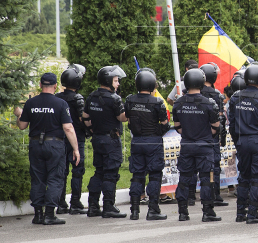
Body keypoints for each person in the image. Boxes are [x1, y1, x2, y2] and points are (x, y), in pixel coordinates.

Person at [15, 73, 80, 225]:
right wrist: (76, 149)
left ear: (40, 85)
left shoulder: (31, 103)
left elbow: (22, 126)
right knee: (55, 178)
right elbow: (68, 128)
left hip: (36, 144)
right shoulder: (61, 103)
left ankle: (38, 214)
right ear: (56, 86)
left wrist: (19, 115)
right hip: (55, 145)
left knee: (37, 179)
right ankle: (50, 215)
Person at [172, 68, 222, 222]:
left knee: (184, 177)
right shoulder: (209, 103)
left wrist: (189, 133)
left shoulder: (178, 102)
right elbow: (216, 126)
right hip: (205, 146)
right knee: (207, 178)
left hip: (187, 145)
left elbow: (177, 126)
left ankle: (182, 212)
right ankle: (208, 212)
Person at [227, 64, 258, 224]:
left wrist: (238, 141)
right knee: (257, 177)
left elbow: (232, 125)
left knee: (244, 177)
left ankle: (241, 213)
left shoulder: (235, 97)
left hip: (242, 141)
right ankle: (252, 213)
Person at [125, 68, 169, 221]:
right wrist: (158, 133)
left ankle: (135, 211)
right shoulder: (157, 102)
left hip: (137, 141)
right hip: (153, 141)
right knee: (155, 176)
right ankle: (153, 209)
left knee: (137, 176)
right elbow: (165, 124)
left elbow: (129, 121)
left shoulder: (130, 100)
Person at [85, 65, 128, 218]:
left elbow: (85, 117)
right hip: (111, 141)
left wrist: (93, 128)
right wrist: (128, 110)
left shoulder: (91, 96)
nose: (118, 84)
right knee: (110, 174)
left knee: (99, 172)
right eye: (116, 81)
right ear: (108, 81)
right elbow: (121, 118)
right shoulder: (114, 99)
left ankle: (93, 206)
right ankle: (109, 206)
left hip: (97, 139)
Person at [55, 64, 88, 215]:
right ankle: (75, 202)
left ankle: (61, 204)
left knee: (62, 171)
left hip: (60, 138)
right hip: (77, 138)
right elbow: (82, 119)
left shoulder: (57, 98)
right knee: (77, 170)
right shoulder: (78, 98)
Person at [199, 63, 229, 208]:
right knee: (214, 167)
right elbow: (220, 119)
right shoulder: (216, 95)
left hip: (194, 135)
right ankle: (215, 195)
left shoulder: (191, 92)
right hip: (211, 136)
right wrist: (221, 138)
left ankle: (190, 198)